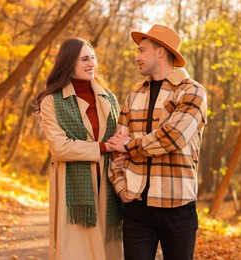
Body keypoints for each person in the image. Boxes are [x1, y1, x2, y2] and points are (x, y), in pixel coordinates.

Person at [107, 24, 207, 260]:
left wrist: (130, 145)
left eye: (142, 50)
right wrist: (123, 190)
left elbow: (173, 137)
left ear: (160, 51)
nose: (136, 57)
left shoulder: (192, 92)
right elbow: (115, 149)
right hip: (136, 207)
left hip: (178, 207)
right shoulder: (133, 96)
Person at [34, 38, 123, 260]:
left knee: (108, 248)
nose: (91, 63)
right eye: (84, 59)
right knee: (76, 250)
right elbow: (60, 148)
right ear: (68, 63)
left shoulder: (108, 98)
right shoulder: (51, 101)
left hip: (109, 185)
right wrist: (103, 147)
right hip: (73, 190)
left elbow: (120, 138)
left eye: (93, 58)